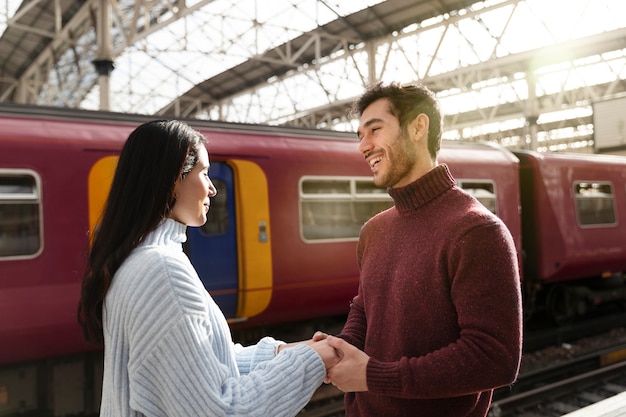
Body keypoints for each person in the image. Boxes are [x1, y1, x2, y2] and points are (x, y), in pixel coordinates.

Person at [77, 120, 338, 417]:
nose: (212, 189)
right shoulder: (161, 271)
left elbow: (204, 366)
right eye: (204, 172)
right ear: (173, 179)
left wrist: (283, 353)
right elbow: (220, 411)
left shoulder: (135, 260)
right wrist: (310, 362)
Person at [320, 82, 523, 416]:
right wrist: (339, 347)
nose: (363, 147)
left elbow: (494, 357)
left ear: (418, 126)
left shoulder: (476, 230)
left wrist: (373, 376)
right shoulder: (375, 230)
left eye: (375, 130)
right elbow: (365, 307)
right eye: (360, 135)